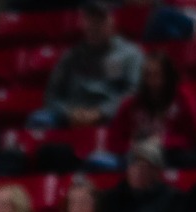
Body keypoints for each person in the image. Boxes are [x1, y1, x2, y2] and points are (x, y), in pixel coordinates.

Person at [33, 2, 142, 130]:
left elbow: (134, 93)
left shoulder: (130, 55)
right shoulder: (71, 57)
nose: (94, 25)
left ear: (112, 21)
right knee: (40, 119)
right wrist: (69, 112)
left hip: (110, 117)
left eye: (100, 19)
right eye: (89, 18)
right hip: (71, 115)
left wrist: (101, 112)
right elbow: (51, 96)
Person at [109, 51, 196, 162]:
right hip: (135, 157)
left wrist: (164, 141)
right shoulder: (131, 104)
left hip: (171, 155)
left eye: (157, 74)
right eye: (148, 75)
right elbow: (114, 141)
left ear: (168, 76)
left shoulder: (183, 100)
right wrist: (134, 145)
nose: (152, 81)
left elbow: (192, 139)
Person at [100, 139, 183, 212]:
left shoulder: (173, 199)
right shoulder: (111, 197)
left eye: (145, 166)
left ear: (157, 172)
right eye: (134, 165)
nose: (138, 171)